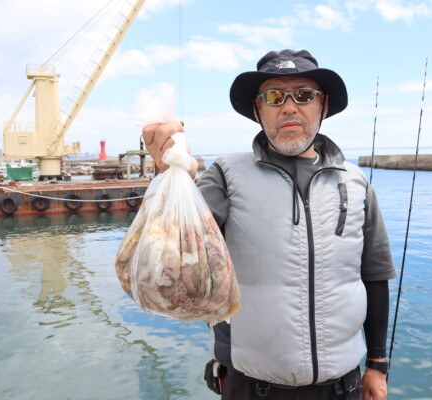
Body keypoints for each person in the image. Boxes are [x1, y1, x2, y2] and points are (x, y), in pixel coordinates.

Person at [142, 49, 396, 400]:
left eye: (304, 95)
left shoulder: (356, 183)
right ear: (258, 110)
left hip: (344, 387)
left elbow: (375, 276)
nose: (289, 107)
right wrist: (171, 176)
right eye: (275, 96)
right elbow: (176, 248)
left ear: (322, 106)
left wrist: (378, 364)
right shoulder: (226, 174)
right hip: (252, 387)